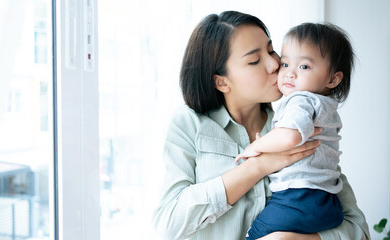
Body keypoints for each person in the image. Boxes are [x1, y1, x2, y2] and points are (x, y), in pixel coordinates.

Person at [152, 10, 370, 240]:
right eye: (255, 60)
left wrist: (292, 239)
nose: (275, 64)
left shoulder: (298, 123)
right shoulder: (189, 123)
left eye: (271, 50)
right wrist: (257, 167)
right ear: (222, 81)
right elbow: (168, 224)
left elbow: (359, 230)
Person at [234, 22, 357, 240]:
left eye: (304, 67)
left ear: (333, 79)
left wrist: (255, 146)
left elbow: (290, 135)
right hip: (327, 202)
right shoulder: (325, 106)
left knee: (254, 235)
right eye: (285, 64)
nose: (289, 73)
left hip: (298, 197)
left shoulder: (301, 100)